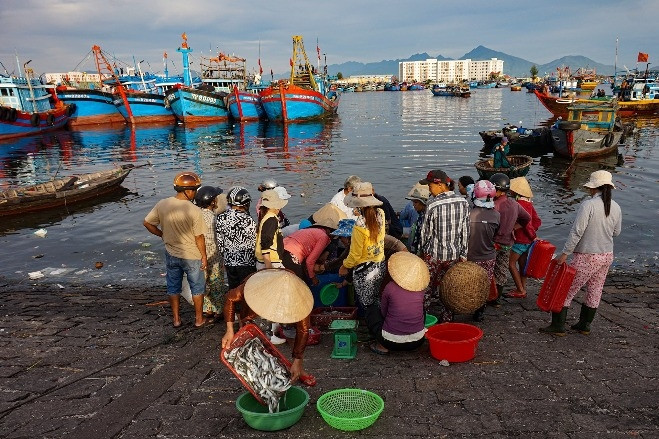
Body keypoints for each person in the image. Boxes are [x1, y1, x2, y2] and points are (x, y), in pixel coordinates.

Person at [540, 171, 621, 336]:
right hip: (606, 255)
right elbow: (616, 233)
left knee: (566, 289)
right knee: (595, 289)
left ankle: (558, 326)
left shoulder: (588, 205)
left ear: (594, 188)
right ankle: (584, 325)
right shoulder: (616, 207)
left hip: (587, 256)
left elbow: (577, 231)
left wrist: (565, 253)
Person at [221, 269, 316, 386]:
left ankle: (298, 368)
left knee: (291, 331)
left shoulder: (300, 299)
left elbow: (303, 330)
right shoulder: (252, 287)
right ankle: (257, 371)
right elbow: (229, 298)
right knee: (256, 338)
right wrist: (229, 330)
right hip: (258, 298)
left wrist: (297, 361)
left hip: (290, 291)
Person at [143, 171, 209, 328]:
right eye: (194, 190)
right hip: (192, 255)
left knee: (173, 287)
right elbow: (199, 237)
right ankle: (199, 319)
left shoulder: (162, 204)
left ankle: (176, 319)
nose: (195, 193)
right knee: (197, 288)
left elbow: (147, 223)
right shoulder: (194, 210)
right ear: (188, 191)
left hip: (171, 253)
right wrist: (204, 256)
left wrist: (162, 235)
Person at [418, 169, 470, 322]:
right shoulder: (463, 202)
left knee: (427, 288)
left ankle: (421, 317)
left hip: (433, 256)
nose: (429, 189)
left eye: (430, 186)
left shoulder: (432, 204)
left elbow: (425, 234)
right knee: (448, 288)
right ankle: (447, 318)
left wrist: (421, 253)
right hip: (454, 256)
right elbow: (465, 232)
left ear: (440, 185)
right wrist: (463, 255)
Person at [338, 182, 386, 335]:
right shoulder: (380, 214)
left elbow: (355, 254)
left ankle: (375, 333)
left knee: (366, 303)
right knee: (376, 298)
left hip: (364, 270)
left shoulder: (359, 224)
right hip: (379, 263)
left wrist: (345, 266)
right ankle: (380, 326)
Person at [368, 252, 430, 355]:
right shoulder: (420, 288)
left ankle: (381, 346)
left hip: (390, 342)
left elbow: (383, 312)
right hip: (418, 341)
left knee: (371, 309)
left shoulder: (390, 287)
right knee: (422, 309)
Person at [255, 188, 292, 344]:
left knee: (272, 297)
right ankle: (271, 333)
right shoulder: (271, 219)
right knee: (275, 298)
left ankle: (274, 330)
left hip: (267, 262)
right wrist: (269, 267)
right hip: (270, 262)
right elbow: (266, 244)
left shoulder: (266, 217)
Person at [488, 173, 531, 307]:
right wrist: (514, 227)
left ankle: (488, 296)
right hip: (507, 243)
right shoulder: (514, 204)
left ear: (498, 190)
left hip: (493, 243)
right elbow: (527, 219)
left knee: (489, 270)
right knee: (501, 270)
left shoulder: (493, 206)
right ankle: (497, 300)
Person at [283, 203, 346, 285]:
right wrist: (313, 278)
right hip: (292, 255)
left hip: (282, 250)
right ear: (329, 230)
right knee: (300, 285)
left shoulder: (310, 230)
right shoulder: (324, 237)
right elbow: (310, 261)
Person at [466, 180, 500, 322]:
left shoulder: (468, 215)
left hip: (470, 256)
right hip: (488, 256)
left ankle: (464, 305)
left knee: (467, 283)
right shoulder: (496, 216)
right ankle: (479, 311)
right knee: (484, 284)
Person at [505, 177, 541, 299]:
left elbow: (527, 223)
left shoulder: (518, 204)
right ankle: (522, 287)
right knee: (522, 264)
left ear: (515, 191)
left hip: (520, 240)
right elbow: (536, 221)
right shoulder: (528, 203)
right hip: (528, 241)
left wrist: (517, 228)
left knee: (511, 263)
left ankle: (520, 290)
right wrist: (531, 235)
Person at [194, 186, 226, 319]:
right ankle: (218, 310)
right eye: (216, 198)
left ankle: (208, 309)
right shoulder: (214, 218)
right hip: (215, 255)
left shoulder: (196, 216)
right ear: (212, 202)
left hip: (200, 255)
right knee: (217, 283)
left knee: (204, 283)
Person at [215, 186, 257, 290]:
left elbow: (220, 242)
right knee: (246, 289)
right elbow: (253, 242)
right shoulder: (248, 220)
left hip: (229, 261)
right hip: (246, 262)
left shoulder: (221, 217)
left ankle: (233, 305)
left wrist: (224, 258)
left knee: (233, 288)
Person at [405, 184, 430, 255]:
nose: (413, 205)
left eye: (416, 202)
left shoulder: (426, 217)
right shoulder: (420, 215)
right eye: (413, 202)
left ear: (423, 203)